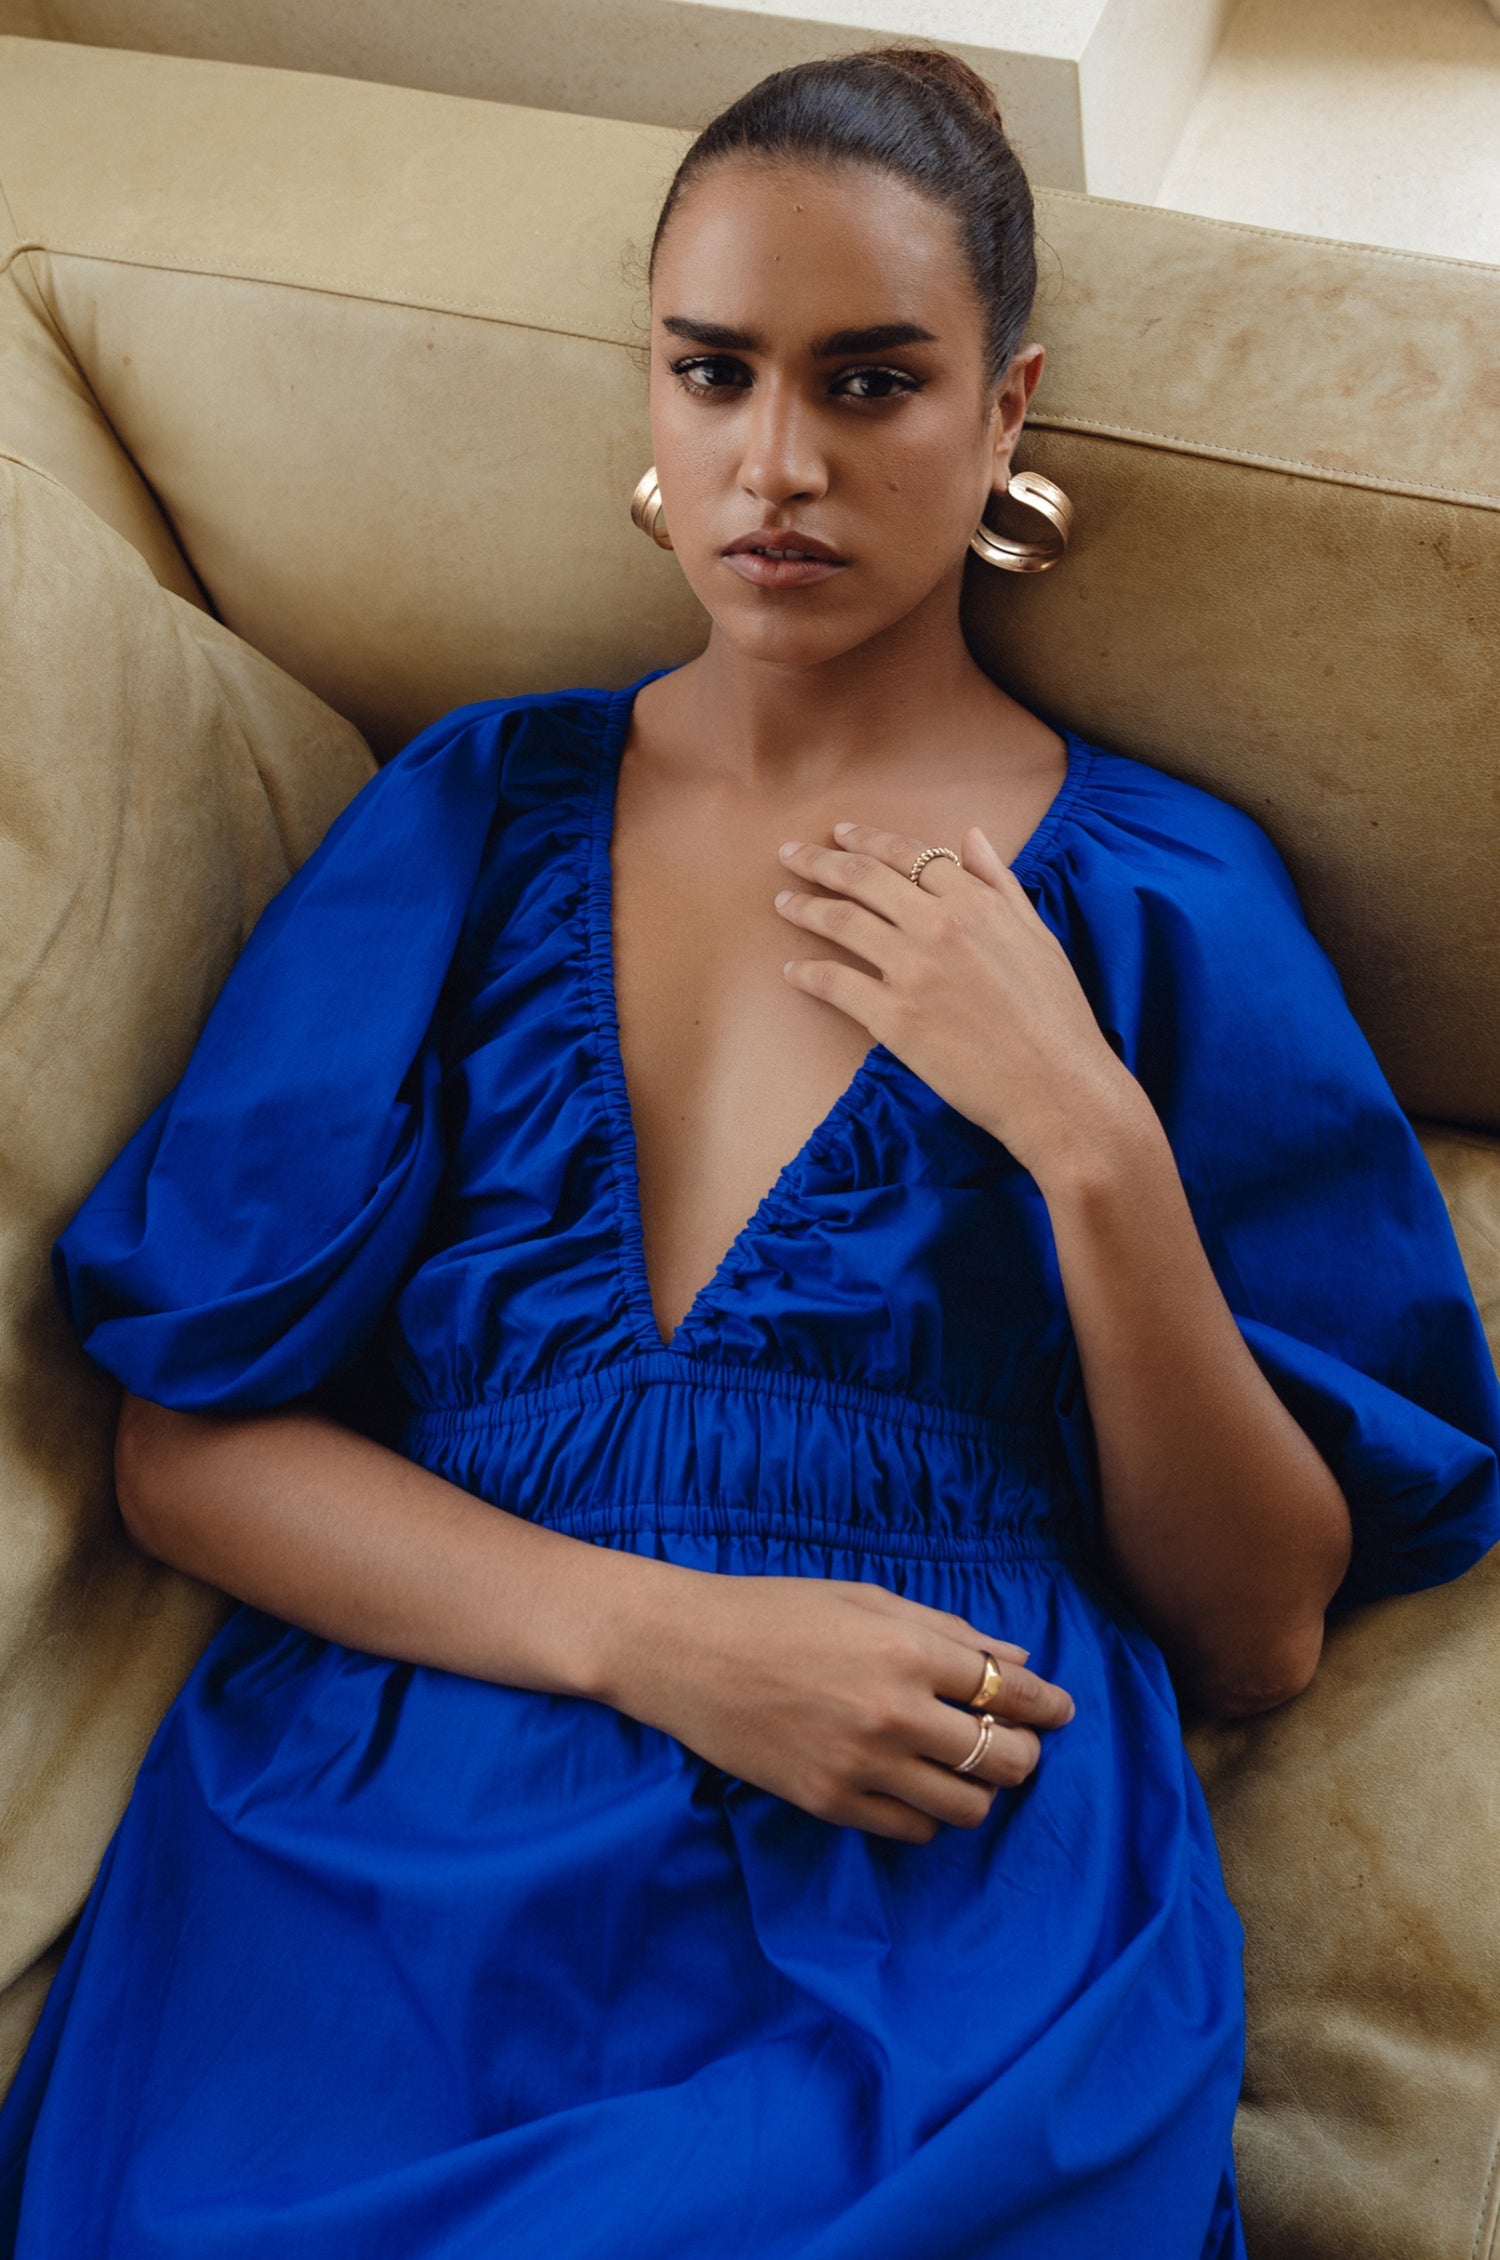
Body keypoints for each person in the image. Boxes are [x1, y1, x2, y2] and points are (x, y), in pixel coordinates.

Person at [1, 43, 1496, 2260]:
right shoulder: (473, 815)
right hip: (391, 1859)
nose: (775, 463)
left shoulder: (1167, 892)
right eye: (715, 372)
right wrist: (661, 1637)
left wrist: (1088, 1138)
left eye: (872, 384)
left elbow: (1257, 1626)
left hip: (938, 1913)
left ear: (1005, 412)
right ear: (654, 391)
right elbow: (186, 1455)